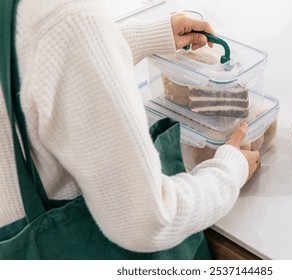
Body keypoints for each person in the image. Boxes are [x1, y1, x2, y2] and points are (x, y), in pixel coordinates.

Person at [0, 0, 260, 254]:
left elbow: (34, 56)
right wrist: (227, 172)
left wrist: (131, 40)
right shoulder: (69, 18)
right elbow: (146, 222)